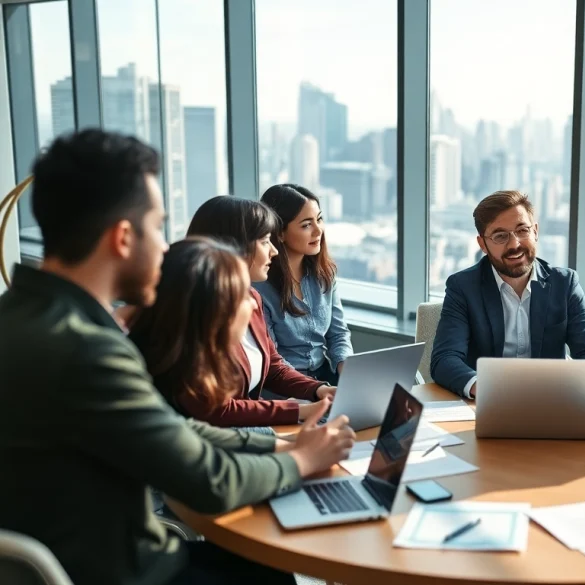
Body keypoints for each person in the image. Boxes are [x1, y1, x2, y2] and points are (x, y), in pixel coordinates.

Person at [0, 129, 356, 585]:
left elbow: (175, 429)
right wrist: (302, 461)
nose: (166, 248)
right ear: (122, 238)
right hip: (124, 571)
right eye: (156, 227)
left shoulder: (24, 316)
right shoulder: (86, 349)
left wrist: (282, 445)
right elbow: (209, 482)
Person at [155, 196, 336, 427]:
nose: (274, 251)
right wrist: (298, 411)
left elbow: (273, 367)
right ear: (233, 247)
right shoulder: (192, 315)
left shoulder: (250, 298)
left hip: (244, 428)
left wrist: (318, 389)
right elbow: (216, 409)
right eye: (265, 241)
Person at [430, 189, 585, 398]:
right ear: (482, 245)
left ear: (535, 232)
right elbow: (445, 359)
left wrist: (571, 384)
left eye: (522, 230)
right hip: (488, 401)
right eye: (500, 236)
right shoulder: (463, 287)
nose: (514, 244)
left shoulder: (565, 284)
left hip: (552, 400)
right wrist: (485, 388)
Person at [255, 184, 353, 385]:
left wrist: (348, 371)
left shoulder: (325, 274)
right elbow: (272, 361)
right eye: (306, 225)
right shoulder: (259, 288)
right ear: (279, 233)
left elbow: (338, 334)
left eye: (319, 219)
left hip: (325, 378)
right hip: (285, 387)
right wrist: (316, 390)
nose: (318, 230)